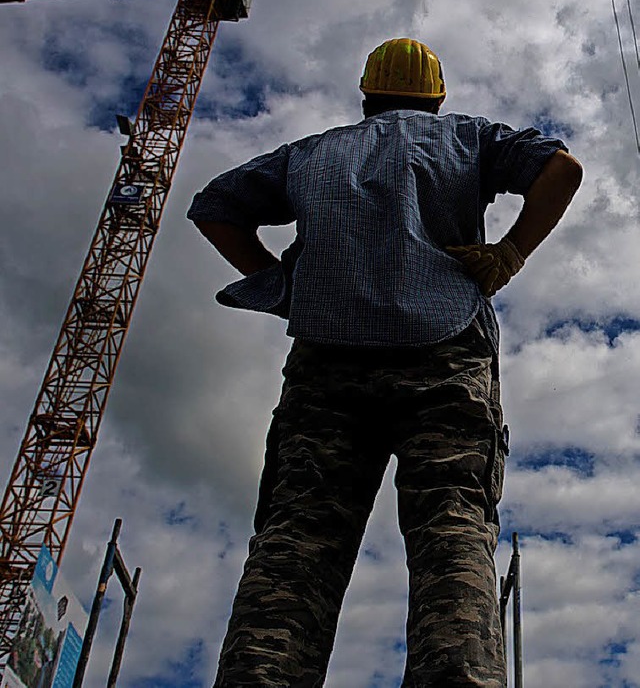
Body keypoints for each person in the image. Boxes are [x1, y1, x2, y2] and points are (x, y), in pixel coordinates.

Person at [188, 38, 583, 687]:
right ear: (436, 96)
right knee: (451, 524)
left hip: (327, 364)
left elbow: (214, 208)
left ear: (367, 95)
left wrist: (282, 287)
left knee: (297, 537)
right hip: (448, 352)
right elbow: (560, 169)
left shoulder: (312, 153)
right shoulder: (466, 139)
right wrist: (509, 253)